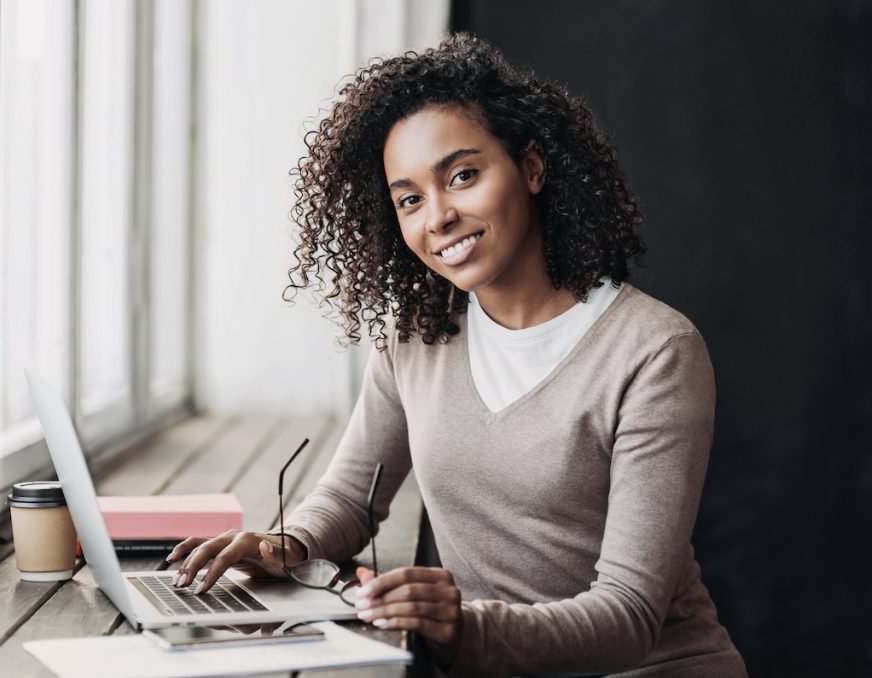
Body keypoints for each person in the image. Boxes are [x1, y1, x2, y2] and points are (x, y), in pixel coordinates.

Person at [166, 33, 747, 677]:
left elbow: (629, 617)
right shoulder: (417, 335)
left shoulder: (655, 352)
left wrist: (465, 627)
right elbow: (352, 497)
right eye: (410, 198)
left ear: (530, 168)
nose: (437, 216)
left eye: (462, 176)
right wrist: (284, 545)